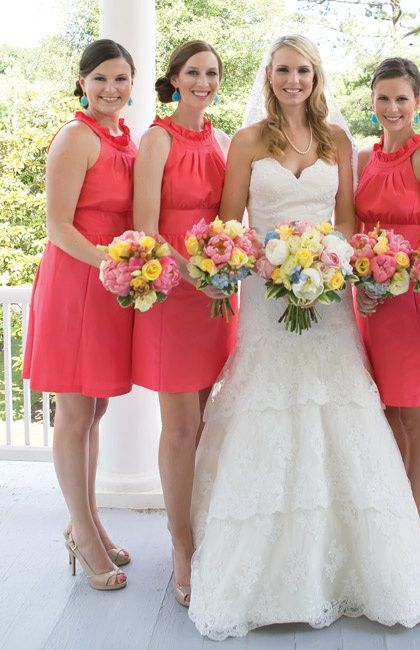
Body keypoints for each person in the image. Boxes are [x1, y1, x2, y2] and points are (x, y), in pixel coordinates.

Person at [188, 35, 420, 641]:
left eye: (303, 70)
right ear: (268, 76)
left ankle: (355, 568)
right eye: (283, 70)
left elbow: (348, 217)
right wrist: (272, 266)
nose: (293, 80)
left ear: (317, 76)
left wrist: (325, 261)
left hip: (327, 298)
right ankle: (259, 576)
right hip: (266, 300)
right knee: (268, 411)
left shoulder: (338, 140)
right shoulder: (246, 142)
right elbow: (230, 221)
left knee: (339, 409)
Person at [23, 39, 137, 590]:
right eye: (100, 79)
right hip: (77, 281)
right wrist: (115, 262)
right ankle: (84, 536)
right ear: (82, 82)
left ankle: (86, 521)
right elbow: (58, 227)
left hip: (109, 285)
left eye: (120, 79)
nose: (111, 89)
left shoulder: (123, 139)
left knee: (94, 414)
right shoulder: (74, 138)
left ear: (133, 85)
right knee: (73, 416)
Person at [132, 40, 237, 607]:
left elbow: (233, 217)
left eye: (212, 73)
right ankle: (181, 545)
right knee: (177, 427)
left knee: (204, 423)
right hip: (174, 295)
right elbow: (145, 228)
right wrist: (193, 273)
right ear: (175, 80)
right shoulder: (156, 139)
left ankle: (203, 527)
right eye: (193, 72)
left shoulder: (222, 142)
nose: (203, 81)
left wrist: (227, 266)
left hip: (216, 299)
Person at [354, 57, 420, 539]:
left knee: (416, 415)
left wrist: (403, 274)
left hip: (413, 303)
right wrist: (363, 284)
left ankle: (410, 521)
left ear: (417, 102)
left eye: (401, 99)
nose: (392, 108)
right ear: (371, 102)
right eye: (383, 98)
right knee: (385, 410)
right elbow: (354, 232)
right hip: (372, 305)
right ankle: (392, 507)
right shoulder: (365, 158)